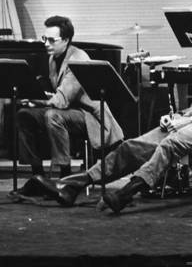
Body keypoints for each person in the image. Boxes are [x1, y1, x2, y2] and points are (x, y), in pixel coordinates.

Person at [51, 26, 192, 213]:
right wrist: (177, 117)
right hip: (191, 118)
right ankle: (79, 183)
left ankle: (124, 194)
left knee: (170, 144)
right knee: (132, 146)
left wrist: (189, 121)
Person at [15, 15, 124, 184]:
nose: (46, 43)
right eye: (45, 38)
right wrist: (33, 101)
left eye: (52, 40)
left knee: (53, 116)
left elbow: (62, 100)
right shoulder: (53, 58)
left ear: (66, 40)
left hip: (91, 117)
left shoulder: (77, 58)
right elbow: (58, 97)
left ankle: (64, 176)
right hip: (69, 112)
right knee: (24, 115)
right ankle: (38, 175)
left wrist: (35, 99)